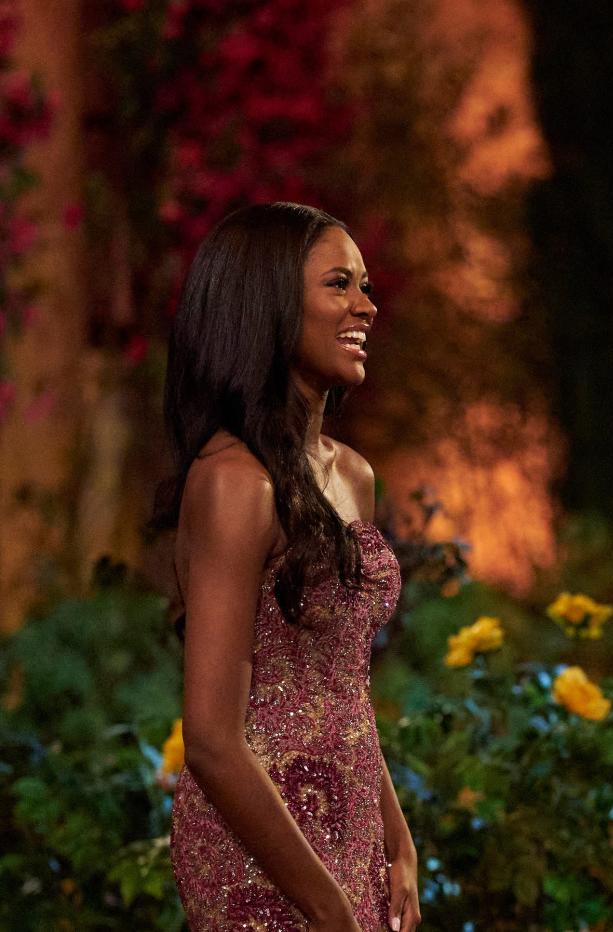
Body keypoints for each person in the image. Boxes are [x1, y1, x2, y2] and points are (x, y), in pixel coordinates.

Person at [152, 203, 421, 931]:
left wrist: (396, 836)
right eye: (340, 284)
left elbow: (342, 687)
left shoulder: (354, 477)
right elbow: (209, 738)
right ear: (268, 303)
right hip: (260, 849)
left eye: (365, 285)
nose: (366, 306)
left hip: (352, 832)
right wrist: (329, 908)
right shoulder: (234, 483)